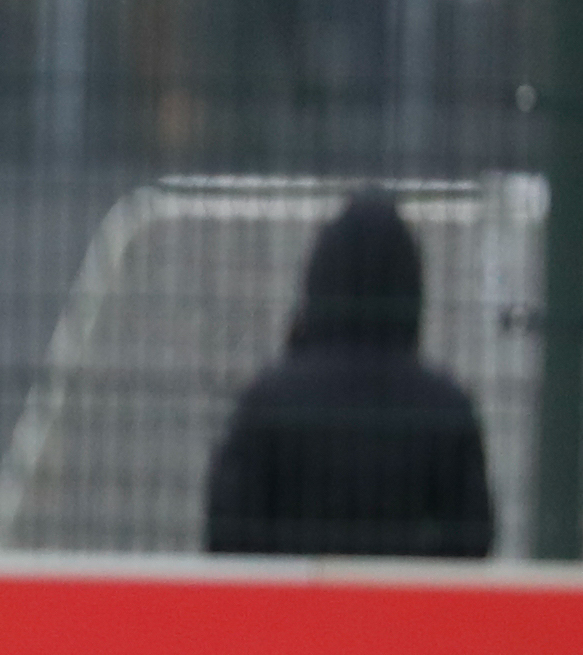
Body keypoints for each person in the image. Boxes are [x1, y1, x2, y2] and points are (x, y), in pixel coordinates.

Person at [206, 191, 498, 559]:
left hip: (289, 612)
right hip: (405, 611)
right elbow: (472, 540)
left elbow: (228, 532)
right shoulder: (445, 408)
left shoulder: (268, 402)